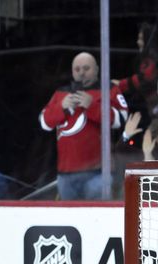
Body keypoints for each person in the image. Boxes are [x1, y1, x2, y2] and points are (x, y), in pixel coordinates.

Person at [39, 52, 129, 200]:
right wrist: (62, 107)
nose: (81, 73)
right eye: (77, 69)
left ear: (97, 70)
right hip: (65, 175)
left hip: (98, 174)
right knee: (69, 220)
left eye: (86, 68)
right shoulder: (61, 93)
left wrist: (92, 106)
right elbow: (44, 123)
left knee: (98, 218)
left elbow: (121, 120)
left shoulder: (109, 89)